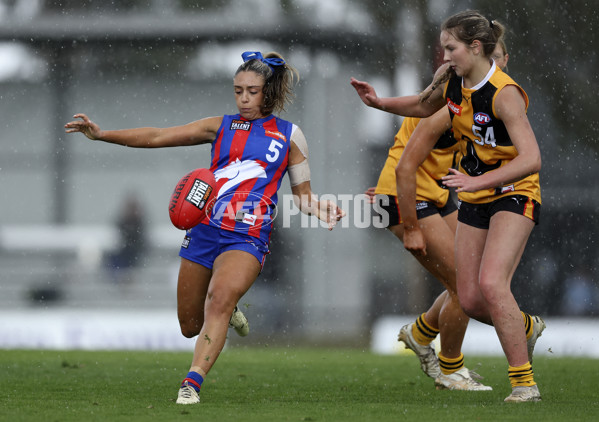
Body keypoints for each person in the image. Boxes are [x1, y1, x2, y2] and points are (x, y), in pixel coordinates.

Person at [65, 50, 345, 405]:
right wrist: (101, 134)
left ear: (269, 92)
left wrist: (320, 208)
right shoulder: (221, 126)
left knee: (218, 300)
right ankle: (229, 308)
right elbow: (157, 136)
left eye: (252, 91)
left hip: (247, 237)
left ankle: (191, 382)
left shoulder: (291, 137)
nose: (244, 98)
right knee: (189, 325)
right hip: (204, 232)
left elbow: (303, 197)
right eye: (238, 90)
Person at [352, 11, 545, 402]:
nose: (444, 57)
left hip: (509, 191)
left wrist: (476, 181)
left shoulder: (504, 93)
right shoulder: (457, 86)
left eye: (450, 48)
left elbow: (531, 159)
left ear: (478, 49)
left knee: (486, 285)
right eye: (444, 48)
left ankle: (519, 382)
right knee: (468, 295)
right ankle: (502, 329)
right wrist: (378, 103)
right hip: (459, 196)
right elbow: (424, 108)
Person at [365, 40, 513, 392]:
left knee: (465, 283)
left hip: (430, 196)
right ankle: (450, 369)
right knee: (465, 286)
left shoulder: (475, 106)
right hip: (410, 199)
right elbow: (405, 167)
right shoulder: (446, 105)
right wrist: (407, 221)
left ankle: (421, 335)